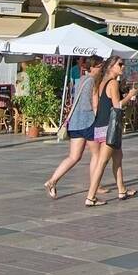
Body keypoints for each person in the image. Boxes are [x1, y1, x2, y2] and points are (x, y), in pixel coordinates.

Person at [43, 57, 104, 198]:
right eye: (100, 66)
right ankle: (96, 185)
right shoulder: (93, 81)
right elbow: (93, 105)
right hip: (88, 122)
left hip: (75, 123)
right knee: (97, 154)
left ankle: (52, 180)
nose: (101, 69)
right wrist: (97, 116)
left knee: (73, 157)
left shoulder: (80, 80)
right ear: (93, 67)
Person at [85, 56, 138, 205]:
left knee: (118, 158)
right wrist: (130, 95)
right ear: (111, 67)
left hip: (101, 125)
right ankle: (90, 197)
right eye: (120, 64)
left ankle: (122, 190)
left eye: (123, 64)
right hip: (110, 127)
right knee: (102, 162)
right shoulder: (113, 83)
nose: (123, 67)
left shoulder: (101, 82)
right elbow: (117, 105)